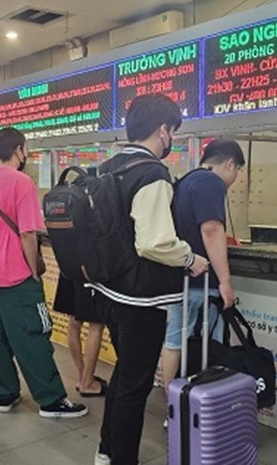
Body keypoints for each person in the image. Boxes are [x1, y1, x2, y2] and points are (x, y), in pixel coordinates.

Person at [88, 94, 208, 465]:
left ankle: (106, 451)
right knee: (134, 386)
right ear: (162, 130)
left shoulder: (108, 167)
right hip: (141, 298)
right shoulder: (151, 173)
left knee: (125, 374)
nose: (170, 139)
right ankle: (122, 458)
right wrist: (190, 258)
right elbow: (154, 242)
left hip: (109, 290)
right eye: (171, 131)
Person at [0, 127, 88, 418]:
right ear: (19, 150)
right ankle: (51, 400)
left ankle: (4, 394)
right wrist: (33, 270)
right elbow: (27, 234)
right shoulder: (21, 182)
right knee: (33, 334)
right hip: (16, 275)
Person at [164, 138, 246, 397]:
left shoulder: (185, 181)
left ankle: (174, 405)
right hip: (199, 283)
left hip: (179, 279)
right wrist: (225, 281)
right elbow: (211, 229)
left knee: (174, 342)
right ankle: (204, 399)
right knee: (209, 342)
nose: (235, 178)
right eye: (238, 171)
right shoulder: (212, 182)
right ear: (230, 163)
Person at [53, 274, 107, 397]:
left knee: (74, 321)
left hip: (69, 268)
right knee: (96, 324)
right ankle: (87, 382)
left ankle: (82, 375)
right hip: (88, 273)